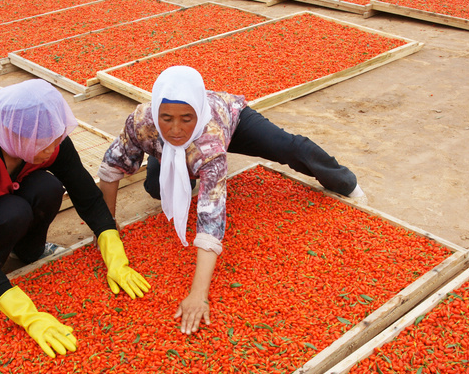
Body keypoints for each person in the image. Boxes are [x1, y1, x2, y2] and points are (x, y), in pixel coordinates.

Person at [97, 66, 364, 335]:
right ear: (156, 114)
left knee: (288, 146)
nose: (176, 129)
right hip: (192, 144)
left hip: (230, 120)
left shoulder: (211, 145)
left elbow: (211, 219)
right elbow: (112, 167)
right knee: (157, 186)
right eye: (166, 118)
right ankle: (187, 173)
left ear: (196, 114)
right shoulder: (142, 122)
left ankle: (344, 181)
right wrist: (109, 227)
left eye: (186, 118)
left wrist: (198, 294)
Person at [0, 80, 150, 358]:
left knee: (48, 189)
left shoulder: (50, 142)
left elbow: (86, 194)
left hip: (9, 195)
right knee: (12, 214)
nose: (51, 149)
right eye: (42, 144)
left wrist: (115, 255)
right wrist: (30, 317)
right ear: (13, 135)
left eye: (54, 140)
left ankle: (30, 251)